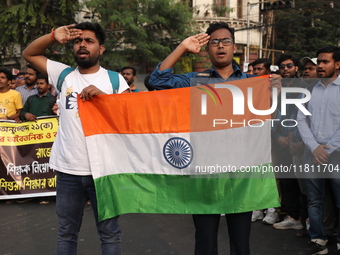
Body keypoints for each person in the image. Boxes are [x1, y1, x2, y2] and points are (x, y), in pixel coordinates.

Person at [148, 21, 281, 255]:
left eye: (225, 41)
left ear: (234, 47)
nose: (220, 46)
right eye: (214, 42)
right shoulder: (195, 80)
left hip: (241, 176)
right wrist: (181, 47)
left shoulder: (253, 82)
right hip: (204, 174)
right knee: (205, 242)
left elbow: (270, 121)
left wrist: (277, 94)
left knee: (241, 244)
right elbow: (155, 82)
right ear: (207, 49)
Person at [22, 22, 130, 255]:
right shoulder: (63, 75)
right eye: (77, 41)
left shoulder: (115, 80)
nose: (82, 45)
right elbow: (29, 53)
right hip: (68, 171)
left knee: (110, 234)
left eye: (89, 41)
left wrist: (105, 99)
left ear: (101, 49)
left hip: (105, 171)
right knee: (66, 234)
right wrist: (52, 36)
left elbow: (129, 119)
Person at [297, 46, 340, 255]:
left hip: (337, 153)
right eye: (318, 62)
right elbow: (301, 119)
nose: (320, 66)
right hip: (312, 152)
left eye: (325, 62)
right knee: (314, 200)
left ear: (337, 64)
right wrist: (314, 147)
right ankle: (318, 240)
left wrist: (328, 149)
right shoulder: (311, 89)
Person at [272, 53, 305, 231]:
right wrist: (277, 136)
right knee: (286, 180)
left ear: (296, 68)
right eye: (282, 66)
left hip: (301, 142)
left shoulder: (305, 87)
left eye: (289, 66)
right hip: (281, 140)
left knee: (304, 184)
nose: (286, 69)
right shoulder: (276, 88)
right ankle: (293, 216)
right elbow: (269, 111)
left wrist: (296, 139)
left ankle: (304, 219)